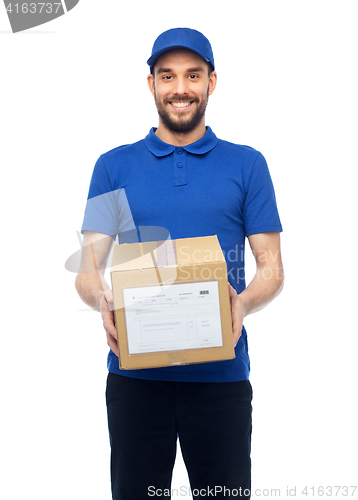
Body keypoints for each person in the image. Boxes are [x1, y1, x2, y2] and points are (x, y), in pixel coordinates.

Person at [75, 27, 284, 500]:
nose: (181, 88)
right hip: (134, 381)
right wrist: (102, 300)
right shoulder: (114, 165)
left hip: (221, 379)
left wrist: (243, 304)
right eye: (167, 76)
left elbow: (272, 268)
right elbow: (88, 269)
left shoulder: (247, 164)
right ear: (151, 84)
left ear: (212, 81)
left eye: (193, 75)